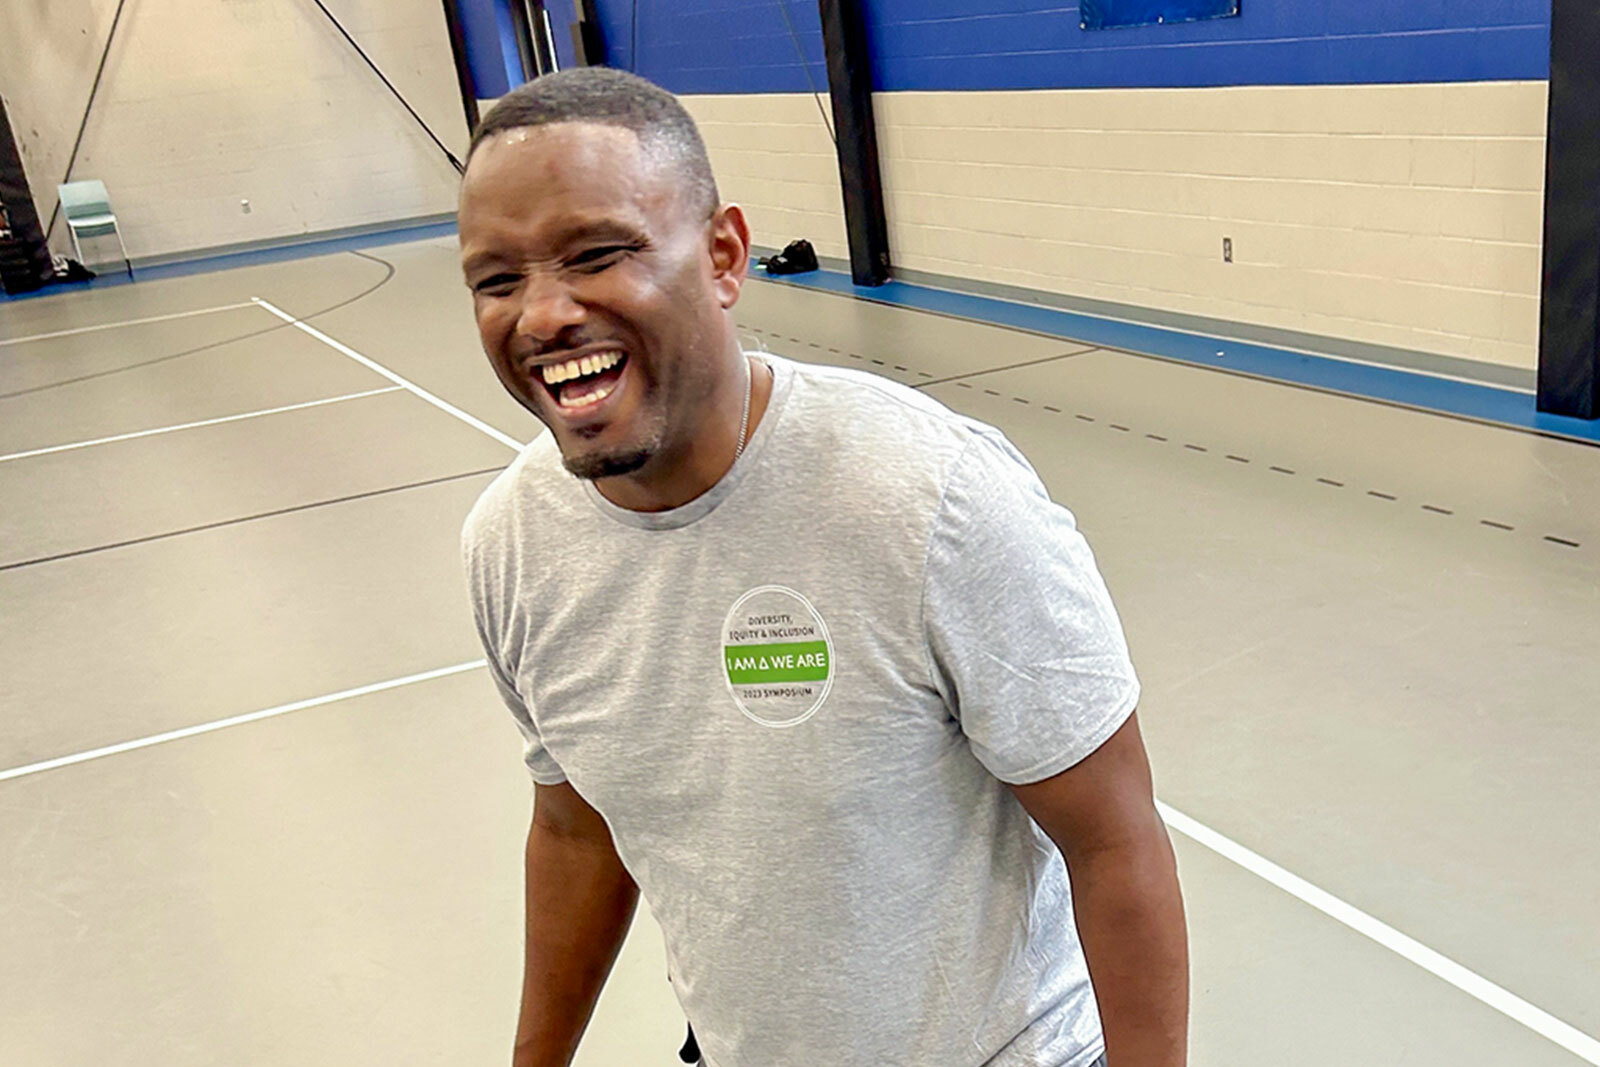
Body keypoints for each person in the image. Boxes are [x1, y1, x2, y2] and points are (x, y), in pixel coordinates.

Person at [457, 67, 1188, 1067]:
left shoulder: (931, 498)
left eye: (596, 255)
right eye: (497, 279)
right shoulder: (510, 544)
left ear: (723, 256)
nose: (542, 315)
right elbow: (578, 828)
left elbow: (1114, 839)